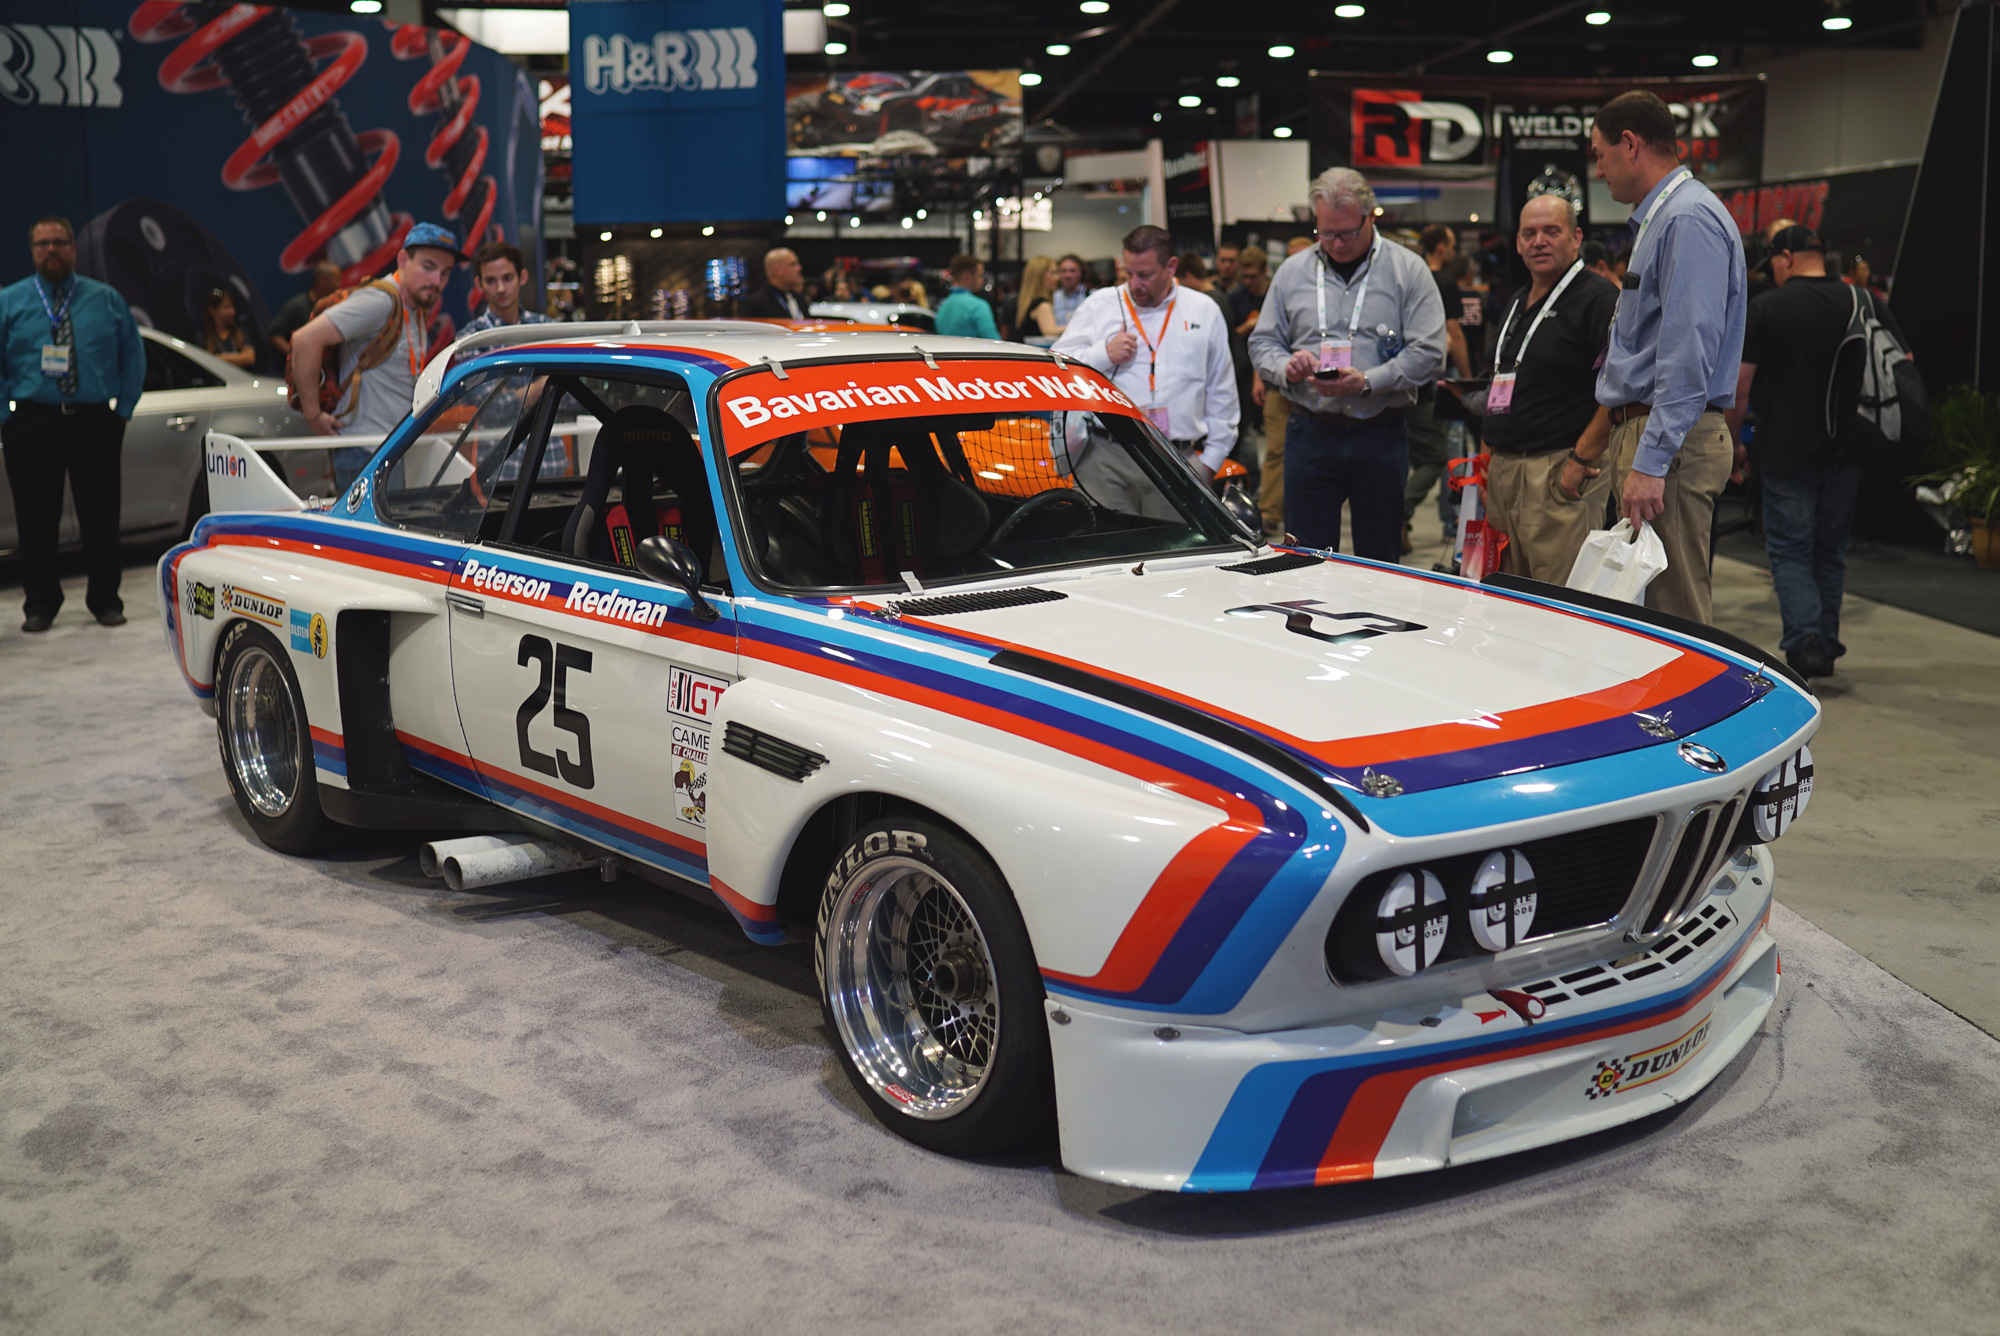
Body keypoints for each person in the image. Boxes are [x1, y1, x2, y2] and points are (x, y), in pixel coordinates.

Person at [1590, 90, 1746, 624]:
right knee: (1647, 614)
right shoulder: (1666, 218)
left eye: (1600, 155)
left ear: (1630, 144)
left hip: (1667, 442)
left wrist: (1651, 461)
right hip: (1653, 435)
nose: (1599, 170)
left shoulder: (1687, 219)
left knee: (1674, 616)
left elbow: (1688, 350)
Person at [1249, 168, 1447, 561]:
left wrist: (1369, 381)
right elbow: (1263, 342)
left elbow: (1430, 352)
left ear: (1370, 216)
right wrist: (1285, 367)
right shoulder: (1292, 272)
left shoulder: (1408, 270)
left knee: (1380, 559)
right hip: (1309, 430)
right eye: (1325, 233)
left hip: (1380, 432)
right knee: (1304, 558)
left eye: (1347, 233)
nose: (1336, 244)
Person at [1732, 225, 1900, 678]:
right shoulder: (1862, 301)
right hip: (1848, 449)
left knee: (1790, 550)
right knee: (1830, 550)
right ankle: (1825, 644)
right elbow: (1900, 363)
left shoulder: (1768, 307)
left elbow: (1740, 388)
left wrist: (1734, 444)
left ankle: (1804, 640)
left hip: (1786, 450)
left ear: (1786, 258)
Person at [0, 215, 144, 631]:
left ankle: (105, 600)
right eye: (42, 243)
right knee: (35, 519)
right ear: (32, 251)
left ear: (73, 248)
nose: (51, 250)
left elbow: (132, 355)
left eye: (59, 242)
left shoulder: (107, 300)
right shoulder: (10, 302)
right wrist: (6, 415)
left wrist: (123, 410)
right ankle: (40, 605)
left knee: (101, 515)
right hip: (32, 422)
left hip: (94, 422)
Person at [1470, 194, 1621, 583]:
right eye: (1529, 233)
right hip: (1505, 470)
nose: (1539, 241)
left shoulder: (1598, 299)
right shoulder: (1517, 300)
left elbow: (1621, 389)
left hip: (1558, 472)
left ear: (1576, 238)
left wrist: (1580, 460)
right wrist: (1487, 458)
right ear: (1518, 243)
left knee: (1557, 599)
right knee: (1506, 593)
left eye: (1551, 231)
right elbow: (1500, 381)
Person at [1052, 224, 1238, 517]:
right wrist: (1102, 354)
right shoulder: (1100, 305)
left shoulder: (1203, 310)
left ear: (1171, 267)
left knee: (1173, 546)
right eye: (1129, 273)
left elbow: (1222, 389)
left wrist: (1210, 462)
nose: (1135, 284)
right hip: (1107, 457)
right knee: (1108, 543)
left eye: (1145, 275)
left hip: (1177, 460)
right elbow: (1056, 368)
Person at [289, 221, 464, 492]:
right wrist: (313, 415)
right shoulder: (380, 301)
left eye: (445, 273)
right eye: (428, 267)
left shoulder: (414, 305)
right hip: (364, 453)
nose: (436, 281)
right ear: (403, 260)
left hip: (388, 449)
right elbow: (305, 339)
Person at [1402, 224, 1472, 550]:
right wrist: (1468, 380)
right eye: (1453, 245)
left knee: (1416, 455)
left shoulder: (1408, 278)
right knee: (1439, 455)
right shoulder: (1443, 283)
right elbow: (1453, 334)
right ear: (1441, 248)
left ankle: (1402, 518)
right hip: (1430, 383)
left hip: (1399, 382)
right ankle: (1403, 513)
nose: (1454, 252)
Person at [461, 241, 554, 334]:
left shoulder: (547, 328)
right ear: (479, 284)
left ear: (522, 277)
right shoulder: (470, 337)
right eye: (490, 281)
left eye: (507, 279)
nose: (500, 289)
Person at [267, 261, 340, 365]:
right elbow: (273, 334)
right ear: (322, 280)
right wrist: (294, 356)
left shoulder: (331, 306)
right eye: (336, 279)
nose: (339, 285)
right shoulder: (297, 305)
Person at [934, 254, 999, 339]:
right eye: (980, 275)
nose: (982, 280)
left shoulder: (942, 308)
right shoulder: (978, 307)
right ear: (967, 277)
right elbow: (994, 342)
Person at [743, 248, 807, 319]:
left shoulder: (798, 298)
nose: (799, 268)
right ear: (777, 270)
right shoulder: (757, 303)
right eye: (793, 264)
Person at [202, 288, 256, 369]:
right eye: (226, 307)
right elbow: (207, 363)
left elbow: (250, 358)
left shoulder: (241, 333)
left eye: (232, 306)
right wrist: (239, 357)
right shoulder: (203, 338)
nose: (232, 312)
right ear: (212, 310)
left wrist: (221, 358)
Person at [1015, 255, 1061, 344]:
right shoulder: (1042, 305)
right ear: (1040, 277)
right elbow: (1049, 331)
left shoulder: (1024, 302)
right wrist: (1073, 326)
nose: (1058, 278)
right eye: (1053, 273)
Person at [1050, 255, 1089, 327]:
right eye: (1063, 271)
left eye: (1072, 271)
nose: (1067, 275)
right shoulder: (1052, 297)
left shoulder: (1091, 295)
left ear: (1081, 273)